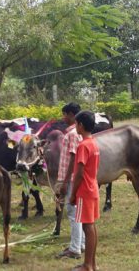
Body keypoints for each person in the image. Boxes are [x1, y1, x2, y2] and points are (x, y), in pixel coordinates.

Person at [70, 111, 101, 271]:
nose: (75, 126)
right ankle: (92, 264)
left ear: (80, 125)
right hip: (93, 188)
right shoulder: (93, 143)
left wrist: (73, 194)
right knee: (91, 227)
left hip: (84, 190)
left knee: (87, 227)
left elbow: (79, 173)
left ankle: (87, 265)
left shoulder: (83, 146)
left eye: (76, 123)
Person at [56, 102, 84, 259]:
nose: (63, 117)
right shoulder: (78, 132)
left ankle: (75, 248)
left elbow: (73, 157)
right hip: (74, 178)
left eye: (65, 114)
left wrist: (65, 182)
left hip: (72, 179)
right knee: (78, 213)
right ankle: (81, 244)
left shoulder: (73, 134)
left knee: (73, 214)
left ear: (72, 115)